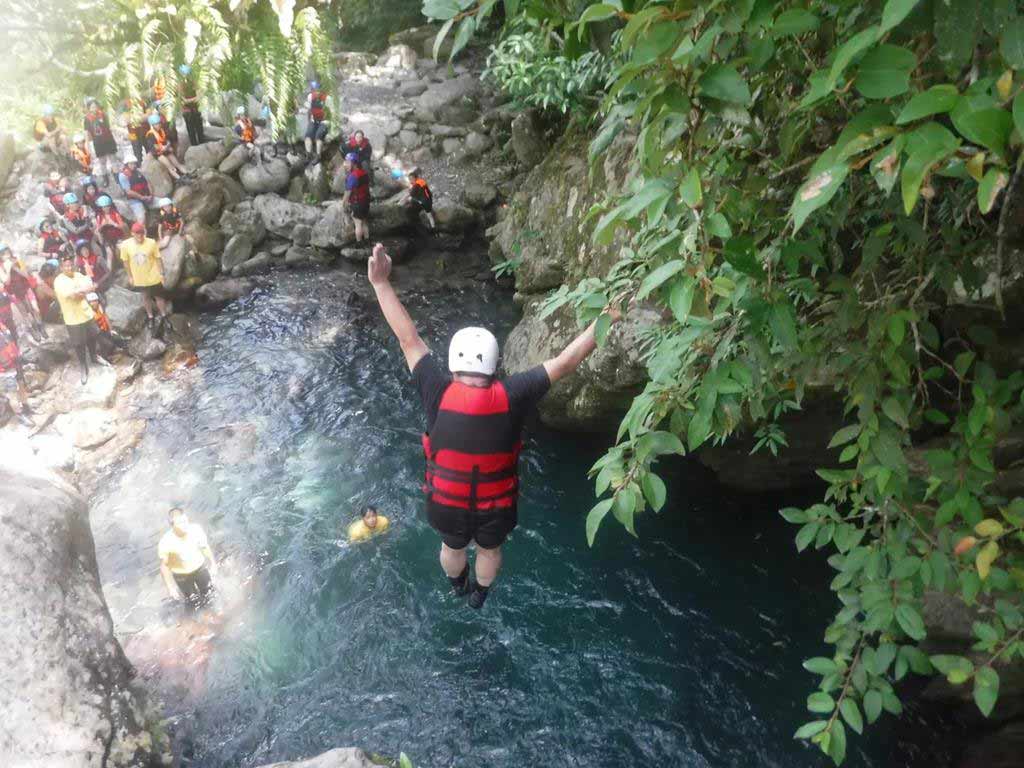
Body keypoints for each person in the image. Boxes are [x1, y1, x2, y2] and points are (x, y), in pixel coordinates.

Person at [367, 242, 621, 608]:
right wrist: (607, 317)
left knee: (451, 546)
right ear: (494, 365)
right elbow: (565, 362)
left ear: (455, 366)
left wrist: (381, 284)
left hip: (447, 506)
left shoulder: (436, 391)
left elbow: (409, 338)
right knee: (489, 550)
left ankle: (457, 585)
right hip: (494, 508)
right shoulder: (513, 393)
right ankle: (479, 595)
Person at [53, 254, 108, 383]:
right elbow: (72, 295)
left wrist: (82, 290)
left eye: (70, 264)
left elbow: (91, 284)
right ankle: (83, 365)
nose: (69, 267)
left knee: (92, 335)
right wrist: (83, 290)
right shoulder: (59, 281)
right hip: (72, 317)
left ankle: (94, 356)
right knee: (78, 343)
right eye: (66, 265)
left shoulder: (78, 275)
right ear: (61, 267)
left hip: (86, 313)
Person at [159, 508, 218, 609]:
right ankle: (198, 619)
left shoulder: (195, 530)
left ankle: (213, 612)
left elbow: (205, 547)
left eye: (185, 521)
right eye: (180, 523)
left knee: (209, 593)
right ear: (172, 525)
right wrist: (170, 587)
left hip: (199, 568)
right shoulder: (167, 542)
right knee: (193, 601)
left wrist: (213, 564)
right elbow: (164, 567)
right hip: (182, 575)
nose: (185, 525)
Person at [119, 222, 169, 333]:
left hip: (153, 275)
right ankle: (150, 316)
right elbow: (126, 262)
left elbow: (158, 258)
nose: (140, 236)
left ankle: (164, 316)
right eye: (137, 233)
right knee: (145, 297)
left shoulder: (151, 242)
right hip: (139, 277)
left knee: (159, 297)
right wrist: (130, 276)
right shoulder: (125, 245)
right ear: (132, 233)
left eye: (141, 233)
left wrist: (162, 274)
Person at [0, 246, 46, 340]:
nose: (7, 256)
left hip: (25, 287)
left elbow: (26, 275)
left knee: (34, 308)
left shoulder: (17, 260)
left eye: (7, 253)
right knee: (24, 312)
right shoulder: (1, 267)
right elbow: (6, 282)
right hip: (13, 292)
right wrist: (8, 269)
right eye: (4, 254)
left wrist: (16, 268)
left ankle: (40, 327)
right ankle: (33, 330)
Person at [0, 310, 35, 428]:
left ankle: (26, 408)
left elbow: (10, 340)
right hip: (5, 371)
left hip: (15, 363)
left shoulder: (2, 327)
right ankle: (20, 416)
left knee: (21, 386)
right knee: (12, 395)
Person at [83, 98, 118, 186]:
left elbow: (109, 127)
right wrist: (88, 146)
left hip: (108, 139)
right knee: (102, 161)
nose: (94, 108)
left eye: (95, 106)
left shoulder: (103, 114)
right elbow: (87, 132)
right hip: (98, 142)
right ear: (89, 108)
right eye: (92, 107)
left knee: (113, 159)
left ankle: (117, 178)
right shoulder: (87, 119)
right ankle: (105, 179)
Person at [145, 113, 187, 181]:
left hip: (165, 150)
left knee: (176, 163)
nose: (158, 125)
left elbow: (166, 140)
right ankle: (179, 179)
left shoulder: (162, 131)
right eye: (156, 124)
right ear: (153, 125)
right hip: (158, 154)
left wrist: (168, 146)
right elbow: (153, 148)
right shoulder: (150, 135)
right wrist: (163, 148)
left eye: (159, 123)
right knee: (170, 166)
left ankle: (187, 173)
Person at [118, 151, 155, 223]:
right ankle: (140, 232)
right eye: (131, 163)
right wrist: (142, 197)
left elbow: (148, 183)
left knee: (164, 203)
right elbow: (128, 191)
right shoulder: (123, 175)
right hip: (135, 200)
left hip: (147, 196)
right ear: (126, 164)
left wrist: (151, 195)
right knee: (141, 217)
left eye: (134, 163)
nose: (133, 165)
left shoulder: (138, 171)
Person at [342, 153, 370, 243]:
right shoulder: (364, 173)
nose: (345, 164)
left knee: (358, 224)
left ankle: (359, 243)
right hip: (366, 201)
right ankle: (367, 240)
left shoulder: (353, 176)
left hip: (357, 203)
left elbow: (347, 193)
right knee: (364, 222)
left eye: (347, 162)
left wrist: (343, 204)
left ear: (354, 163)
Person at [95, 195, 127, 263]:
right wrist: (102, 225)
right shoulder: (99, 216)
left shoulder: (115, 214)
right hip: (107, 239)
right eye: (104, 207)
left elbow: (122, 226)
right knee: (109, 254)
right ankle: (109, 272)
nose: (106, 208)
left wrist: (113, 223)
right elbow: (98, 230)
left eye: (107, 206)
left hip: (118, 237)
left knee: (122, 249)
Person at [178, 64, 205, 146]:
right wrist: (194, 99)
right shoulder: (180, 84)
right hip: (187, 111)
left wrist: (193, 99)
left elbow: (199, 93)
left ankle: (202, 145)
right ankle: (195, 147)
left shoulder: (193, 82)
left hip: (195, 109)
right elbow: (182, 100)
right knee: (191, 131)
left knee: (199, 129)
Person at [303, 80, 330, 163]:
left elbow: (331, 112)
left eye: (318, 90)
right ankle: (308, 155)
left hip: (324, 121)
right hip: (313, 120)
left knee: (318, 136)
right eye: (314, 90)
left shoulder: (327, 98)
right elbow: (308, 110)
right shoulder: (310, 97)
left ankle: (318, 156)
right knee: (307, 136)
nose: (316, 92)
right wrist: (309, 122)